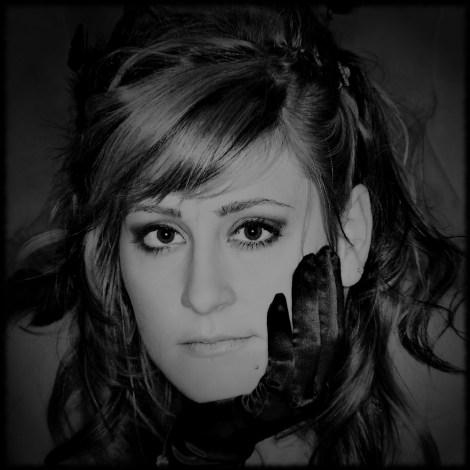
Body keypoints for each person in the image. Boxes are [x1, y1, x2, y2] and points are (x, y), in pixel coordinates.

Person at [5, 4, 465, 467]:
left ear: (350, 236)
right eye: (162, 234)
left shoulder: (449, 386)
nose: (202, 295)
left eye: (252, 230)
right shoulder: (30, 377)